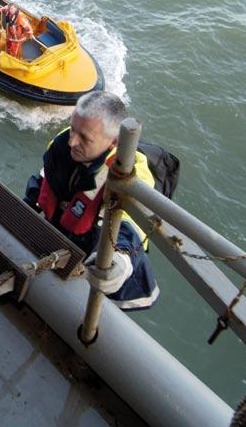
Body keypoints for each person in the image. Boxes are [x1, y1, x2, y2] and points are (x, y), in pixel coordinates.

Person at [25, 91, 160, 310]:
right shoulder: (64, 143)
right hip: (62, 235)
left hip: (96, 252)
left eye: (85, 138)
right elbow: (44, 178)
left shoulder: (134, 177)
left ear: (114, 142)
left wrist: (119, 263)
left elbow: (130, 228)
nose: (72, 141)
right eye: (72, 129)